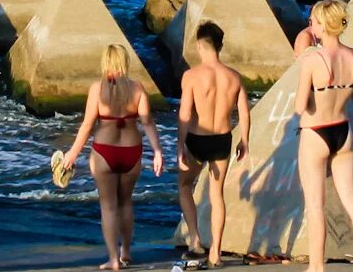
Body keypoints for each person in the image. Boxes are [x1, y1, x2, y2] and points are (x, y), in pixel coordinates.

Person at [292, 0, 353, 272]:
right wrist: (344, 90)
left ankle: (317, 267)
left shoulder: (311, 58)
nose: (312, 27)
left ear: (322, 24)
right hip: (344, 131)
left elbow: (299, 106)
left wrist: (319, 95)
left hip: (315, 132)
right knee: (352, 200)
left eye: (314, 22)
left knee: (316, 205)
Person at [61, 45, 163, 270]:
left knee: (108, 207)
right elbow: (147, 122)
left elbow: (87, 125)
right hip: (131, 152)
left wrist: (72, 154)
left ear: (105, 62)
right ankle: (126, 251)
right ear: (124, 62)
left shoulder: (97, 89)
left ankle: (113, 259)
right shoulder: (137, 89)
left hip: (104, 152)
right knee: (126, 202)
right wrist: (157, 151)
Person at [178, 22, 250, 268]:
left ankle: (195, 239)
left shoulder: (191, 76)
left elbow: (185, 113)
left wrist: (179, 145)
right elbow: (244, 111)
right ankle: (215, 254)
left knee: (185, 185)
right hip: (222, 139)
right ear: (220, 46)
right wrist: (245, 140)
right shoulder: (234, 76)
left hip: (197, 139)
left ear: (200, 45)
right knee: (216, 194)